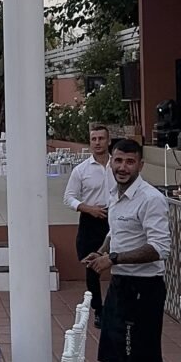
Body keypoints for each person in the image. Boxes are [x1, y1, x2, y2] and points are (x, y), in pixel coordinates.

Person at [84, 138, 181, 362]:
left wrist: (113, 259)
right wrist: (102, 251)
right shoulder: (115, 192)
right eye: (118, 160)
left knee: (147, 360)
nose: (123, 167)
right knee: (110, 353)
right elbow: (117, 230)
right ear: (111, 162)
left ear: (140, 165)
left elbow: (159, 248)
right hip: (120, 285)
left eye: (130, 162)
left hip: (143, 290)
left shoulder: (151, 199)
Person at [64, 123, 115, 325]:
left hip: (116, 218)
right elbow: (69, 197)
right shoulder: (81, 170)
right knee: (92, 267)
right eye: (94, 139)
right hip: (91, 220)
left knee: (119, 261)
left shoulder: (118, 165)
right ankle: (98, 310)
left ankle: (116, 306)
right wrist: (88, 208)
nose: (97, 143)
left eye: (101, 138)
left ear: (108, 141)